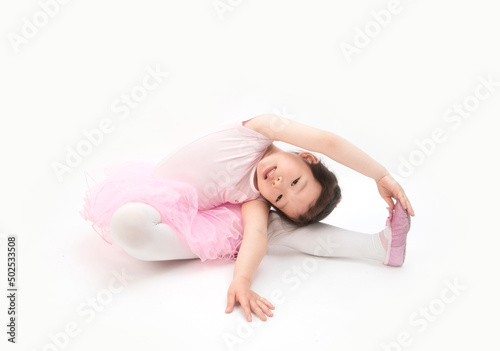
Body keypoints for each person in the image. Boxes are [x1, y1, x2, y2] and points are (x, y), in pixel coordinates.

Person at [80, 113, 414, 323]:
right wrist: (380, 175)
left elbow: (256, 237)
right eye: (295, 180)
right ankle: (378, 247)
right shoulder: (259, 131)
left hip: (196, 218)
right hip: (156, 195)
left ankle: (379, 247)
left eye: (281, 198)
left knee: (131, 227)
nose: (279, 184)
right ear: (306, 156)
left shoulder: (254, 198)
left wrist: (242, 282)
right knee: (130, 220)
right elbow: (329, 141)